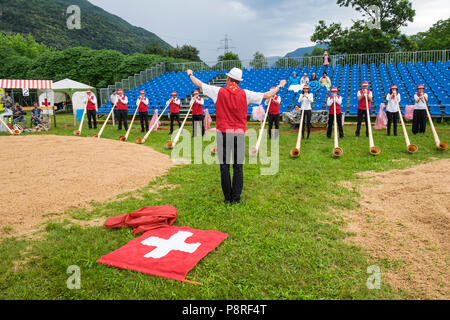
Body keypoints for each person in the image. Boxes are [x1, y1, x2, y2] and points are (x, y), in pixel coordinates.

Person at [186, 67, 286, 205]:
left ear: (228, 79)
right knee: (238, 166)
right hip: (238, 133)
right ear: (238, 81)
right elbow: (267, 95)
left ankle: (227, 198)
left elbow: (199, 84)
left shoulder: (218, 91)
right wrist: (280, 86)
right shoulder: (245, 94)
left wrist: (190, 73)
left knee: (224, 166)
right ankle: (236, 198)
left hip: (223, 133)